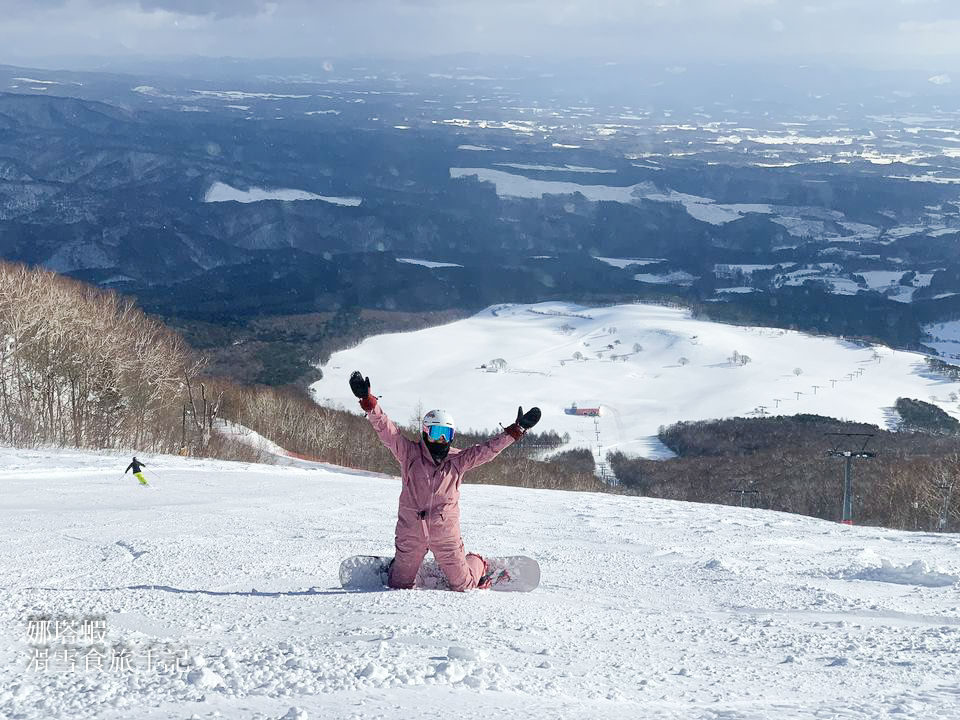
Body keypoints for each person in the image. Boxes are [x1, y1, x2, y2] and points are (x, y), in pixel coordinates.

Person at [349, 370, 540, 591]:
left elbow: (488, 450)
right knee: (399, 586)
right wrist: (369, 403)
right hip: (411, 532)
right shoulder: (410, 454)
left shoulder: (458, 461)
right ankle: (399, 566)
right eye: (435, 433)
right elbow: (386, 430)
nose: (440, 439)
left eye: (446, 434)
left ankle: (476, 562)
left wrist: (516, 431)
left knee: (465, 586)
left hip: (446, 536)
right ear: (425, 433)